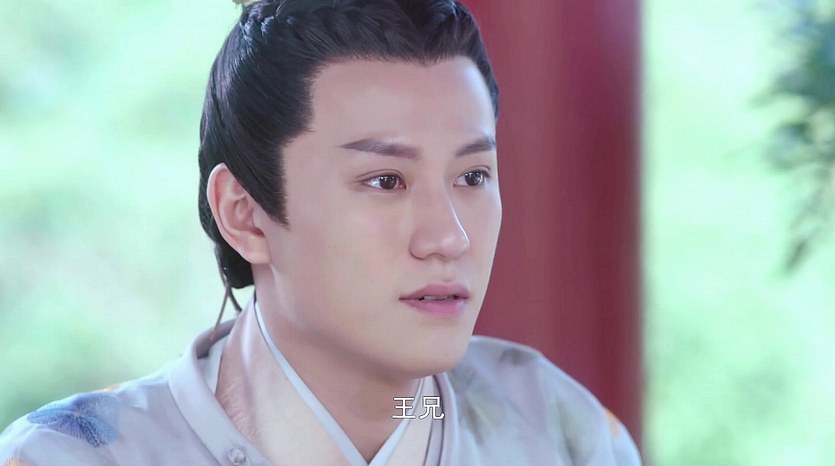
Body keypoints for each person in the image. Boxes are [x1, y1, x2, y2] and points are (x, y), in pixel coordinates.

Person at [0, 0, 642, 464]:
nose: (449, 238)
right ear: (244, 214)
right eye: (386, 181)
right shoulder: (73, 456)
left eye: (473, 176)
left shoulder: (558, 431)